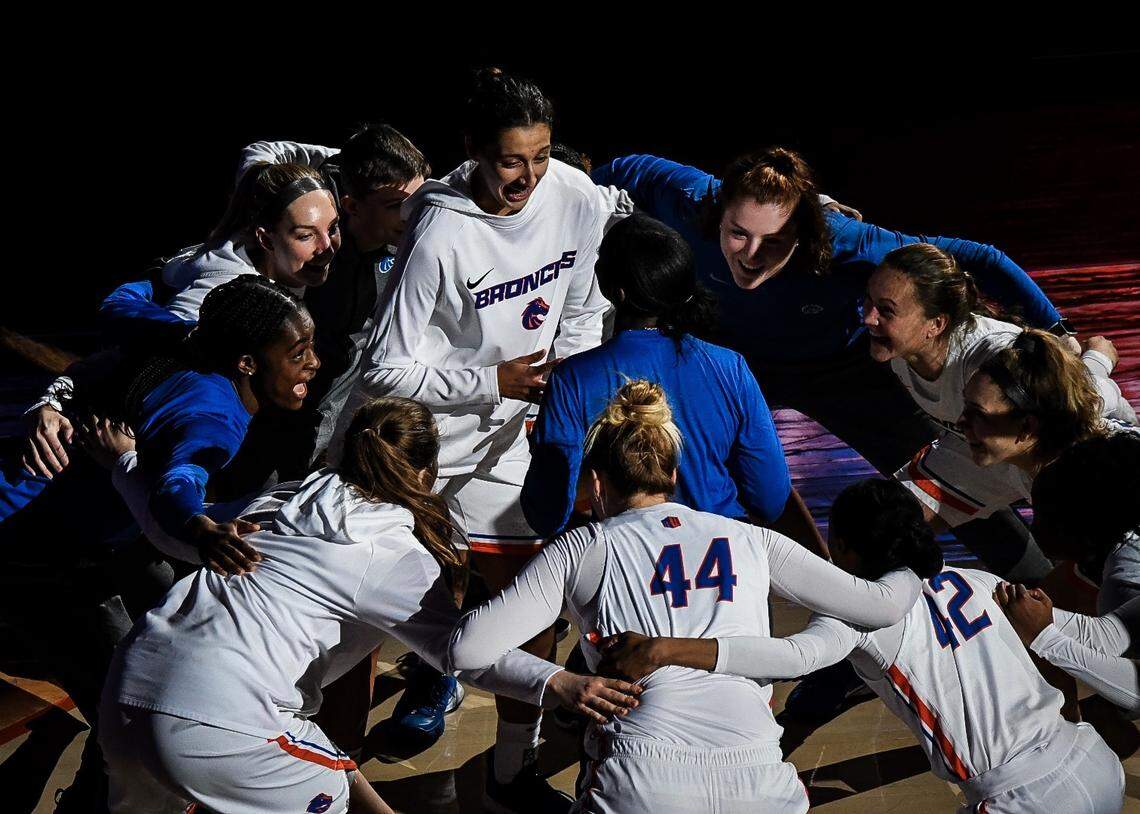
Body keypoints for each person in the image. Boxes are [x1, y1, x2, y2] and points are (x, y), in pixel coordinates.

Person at [98, 396, 643, 814]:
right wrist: (563, 682)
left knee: (336, 776)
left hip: (127, 691)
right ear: (427, 476)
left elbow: (175, 531)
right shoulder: (392, 555)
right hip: (223, 718)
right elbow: (464, 652)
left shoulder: (285, 497)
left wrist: (125, 464)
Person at [345, 68, 633, 809]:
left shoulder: (571, 193)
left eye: (539, 156)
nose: (529, 177)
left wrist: (556, 389)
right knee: (368, 619)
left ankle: (511, 769)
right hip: (425, 450)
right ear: (473, 150)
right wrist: (489, 382)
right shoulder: (439, 234)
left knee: (528, 610)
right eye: (512, 160)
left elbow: (582, 305)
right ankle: (321, 758)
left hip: (512, 444)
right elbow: (382, 369)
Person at [591, 148, 1074, 581]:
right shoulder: (690, 196)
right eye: (737, 235)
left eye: (774, 242)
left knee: (949, 478)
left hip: (841, 371)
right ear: (718, 215)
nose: (752, 257)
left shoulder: (847, 240)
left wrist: (1058, 332)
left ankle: (1043, 588)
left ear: (804, 232)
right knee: (690, 461)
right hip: (738, 365)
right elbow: (604, 173)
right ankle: (816, 586)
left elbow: (979, 257)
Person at [449, 381, 925, 814]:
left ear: (595, 481)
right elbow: (880, 605)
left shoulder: (583, 547)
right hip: (758, 773)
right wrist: (920, 561)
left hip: (640, 773)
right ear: (673, 475)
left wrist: (558, 681)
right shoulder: (750, 539)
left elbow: (466, 649)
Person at [598, 478, 1126, 814]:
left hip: (1022, 797)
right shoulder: (978, 580)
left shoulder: (861, 615)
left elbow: (794, 657)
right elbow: (1090, 640)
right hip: (1092, 759)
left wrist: (668, 649)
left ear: (844, 548)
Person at [0, 275, 320, 812]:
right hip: (38, 549)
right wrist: (197, 526)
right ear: (247, 362)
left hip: (35, 504)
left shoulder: (181, 332)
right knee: (126, 711)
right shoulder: (213, 415)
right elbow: (178, 484)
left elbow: (118, 302)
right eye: (298, 352)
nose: (313, 362)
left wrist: (171, 270)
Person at [522, 213, 824, 554]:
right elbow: (770, 499)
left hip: (631, 565)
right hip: (728, 565)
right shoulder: (730, 367)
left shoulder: (573, 379)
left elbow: (546, 512)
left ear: (615, 290)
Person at [863, 242, 1134, 571]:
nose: (868, 318)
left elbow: (1080, 401)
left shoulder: (992, 356)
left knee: (1091, 572)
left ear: (934, 324)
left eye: (886, 310)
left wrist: (1097, 360)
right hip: (990, 446)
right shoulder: (903, 354)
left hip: (1056, 453)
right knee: (880, 526)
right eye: (869, 302)